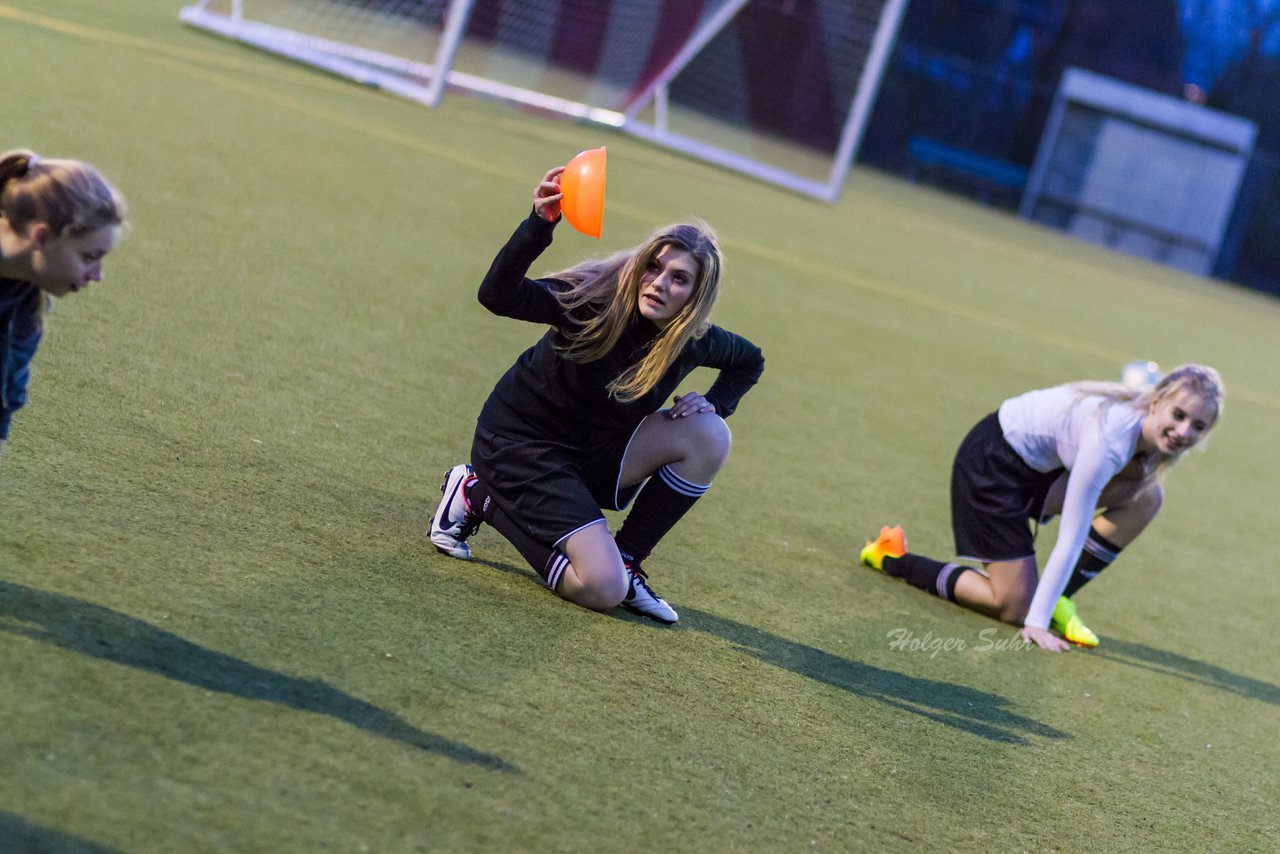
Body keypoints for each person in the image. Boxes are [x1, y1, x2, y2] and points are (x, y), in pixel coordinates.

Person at [430, 164, 764, 624]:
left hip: (595, 454)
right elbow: (497, 296)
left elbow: (749, 362)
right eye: (655, 266)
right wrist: (539, 225)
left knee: (711, 433)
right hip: (521, 446)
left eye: (679, 278)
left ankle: (628, 558)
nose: (659, 283)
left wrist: (716, 402)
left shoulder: (693, 340)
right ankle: (476, 493)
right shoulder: (591, 300)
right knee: (601, 588)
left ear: (695, 296)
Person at [859, 365, 1223, 651]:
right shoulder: (1111, 438)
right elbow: (1072, 534)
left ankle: (1060, 599)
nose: (1183, 431)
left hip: (1037, 474)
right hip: (992, 465)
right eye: (1178, 415)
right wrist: (1036, 620)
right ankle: (892, 556)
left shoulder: (1149, 431)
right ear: (1156, 402)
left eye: (1198, 426)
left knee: (1147, 497)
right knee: (1013, 607)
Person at [0, 149, 126, 465]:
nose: (98, 276)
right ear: (42, 237)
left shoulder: (26, 303)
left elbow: (4, 399)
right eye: (89, 257)